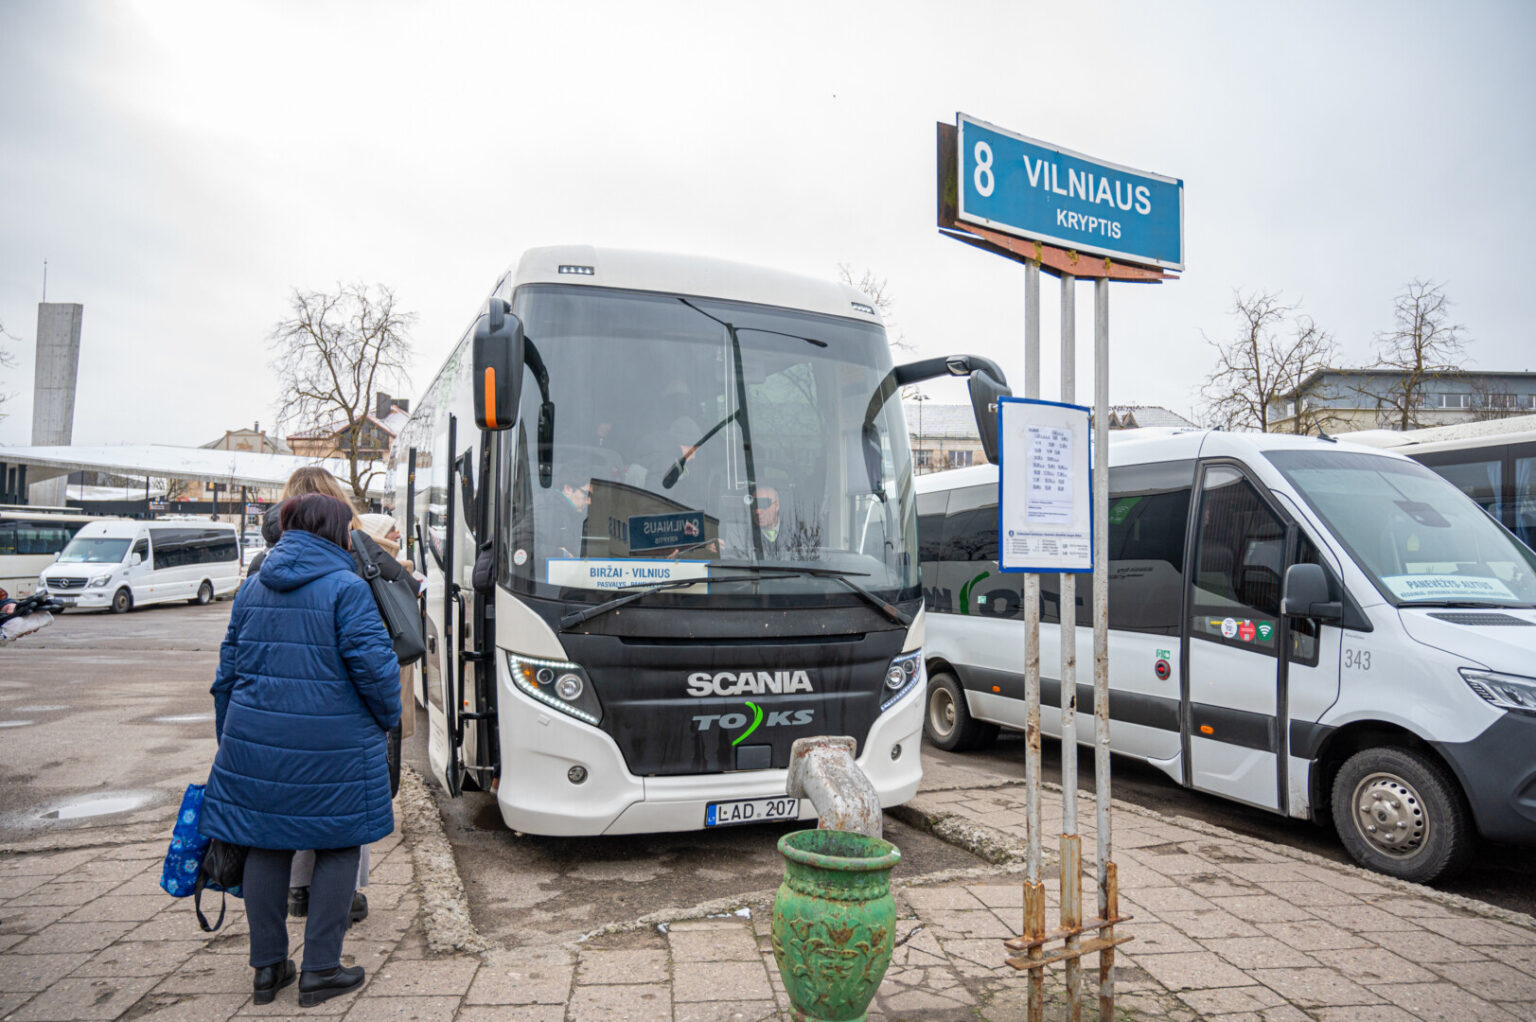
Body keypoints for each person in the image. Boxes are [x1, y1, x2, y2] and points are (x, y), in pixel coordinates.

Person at [201, 493, 401, 1007]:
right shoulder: (347, 589)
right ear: (337, 531)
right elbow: (378, 675)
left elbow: (226, 675)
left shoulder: (251, 589)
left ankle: (268, 970)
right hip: (332, 748)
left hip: (255, 744)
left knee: (267, 845)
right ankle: (321, 970)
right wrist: (386, 722)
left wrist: (233, 741)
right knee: (337, 845)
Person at [244, 467, 407, 924]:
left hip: (267, 721)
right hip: (340, 716)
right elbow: (374, 661)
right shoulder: (352, 563)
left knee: (274, 825)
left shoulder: (262, 568)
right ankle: (333, 927)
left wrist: (234, 731)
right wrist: (387, 717)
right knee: (344, 821)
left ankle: (284, 923)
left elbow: (233, 666)